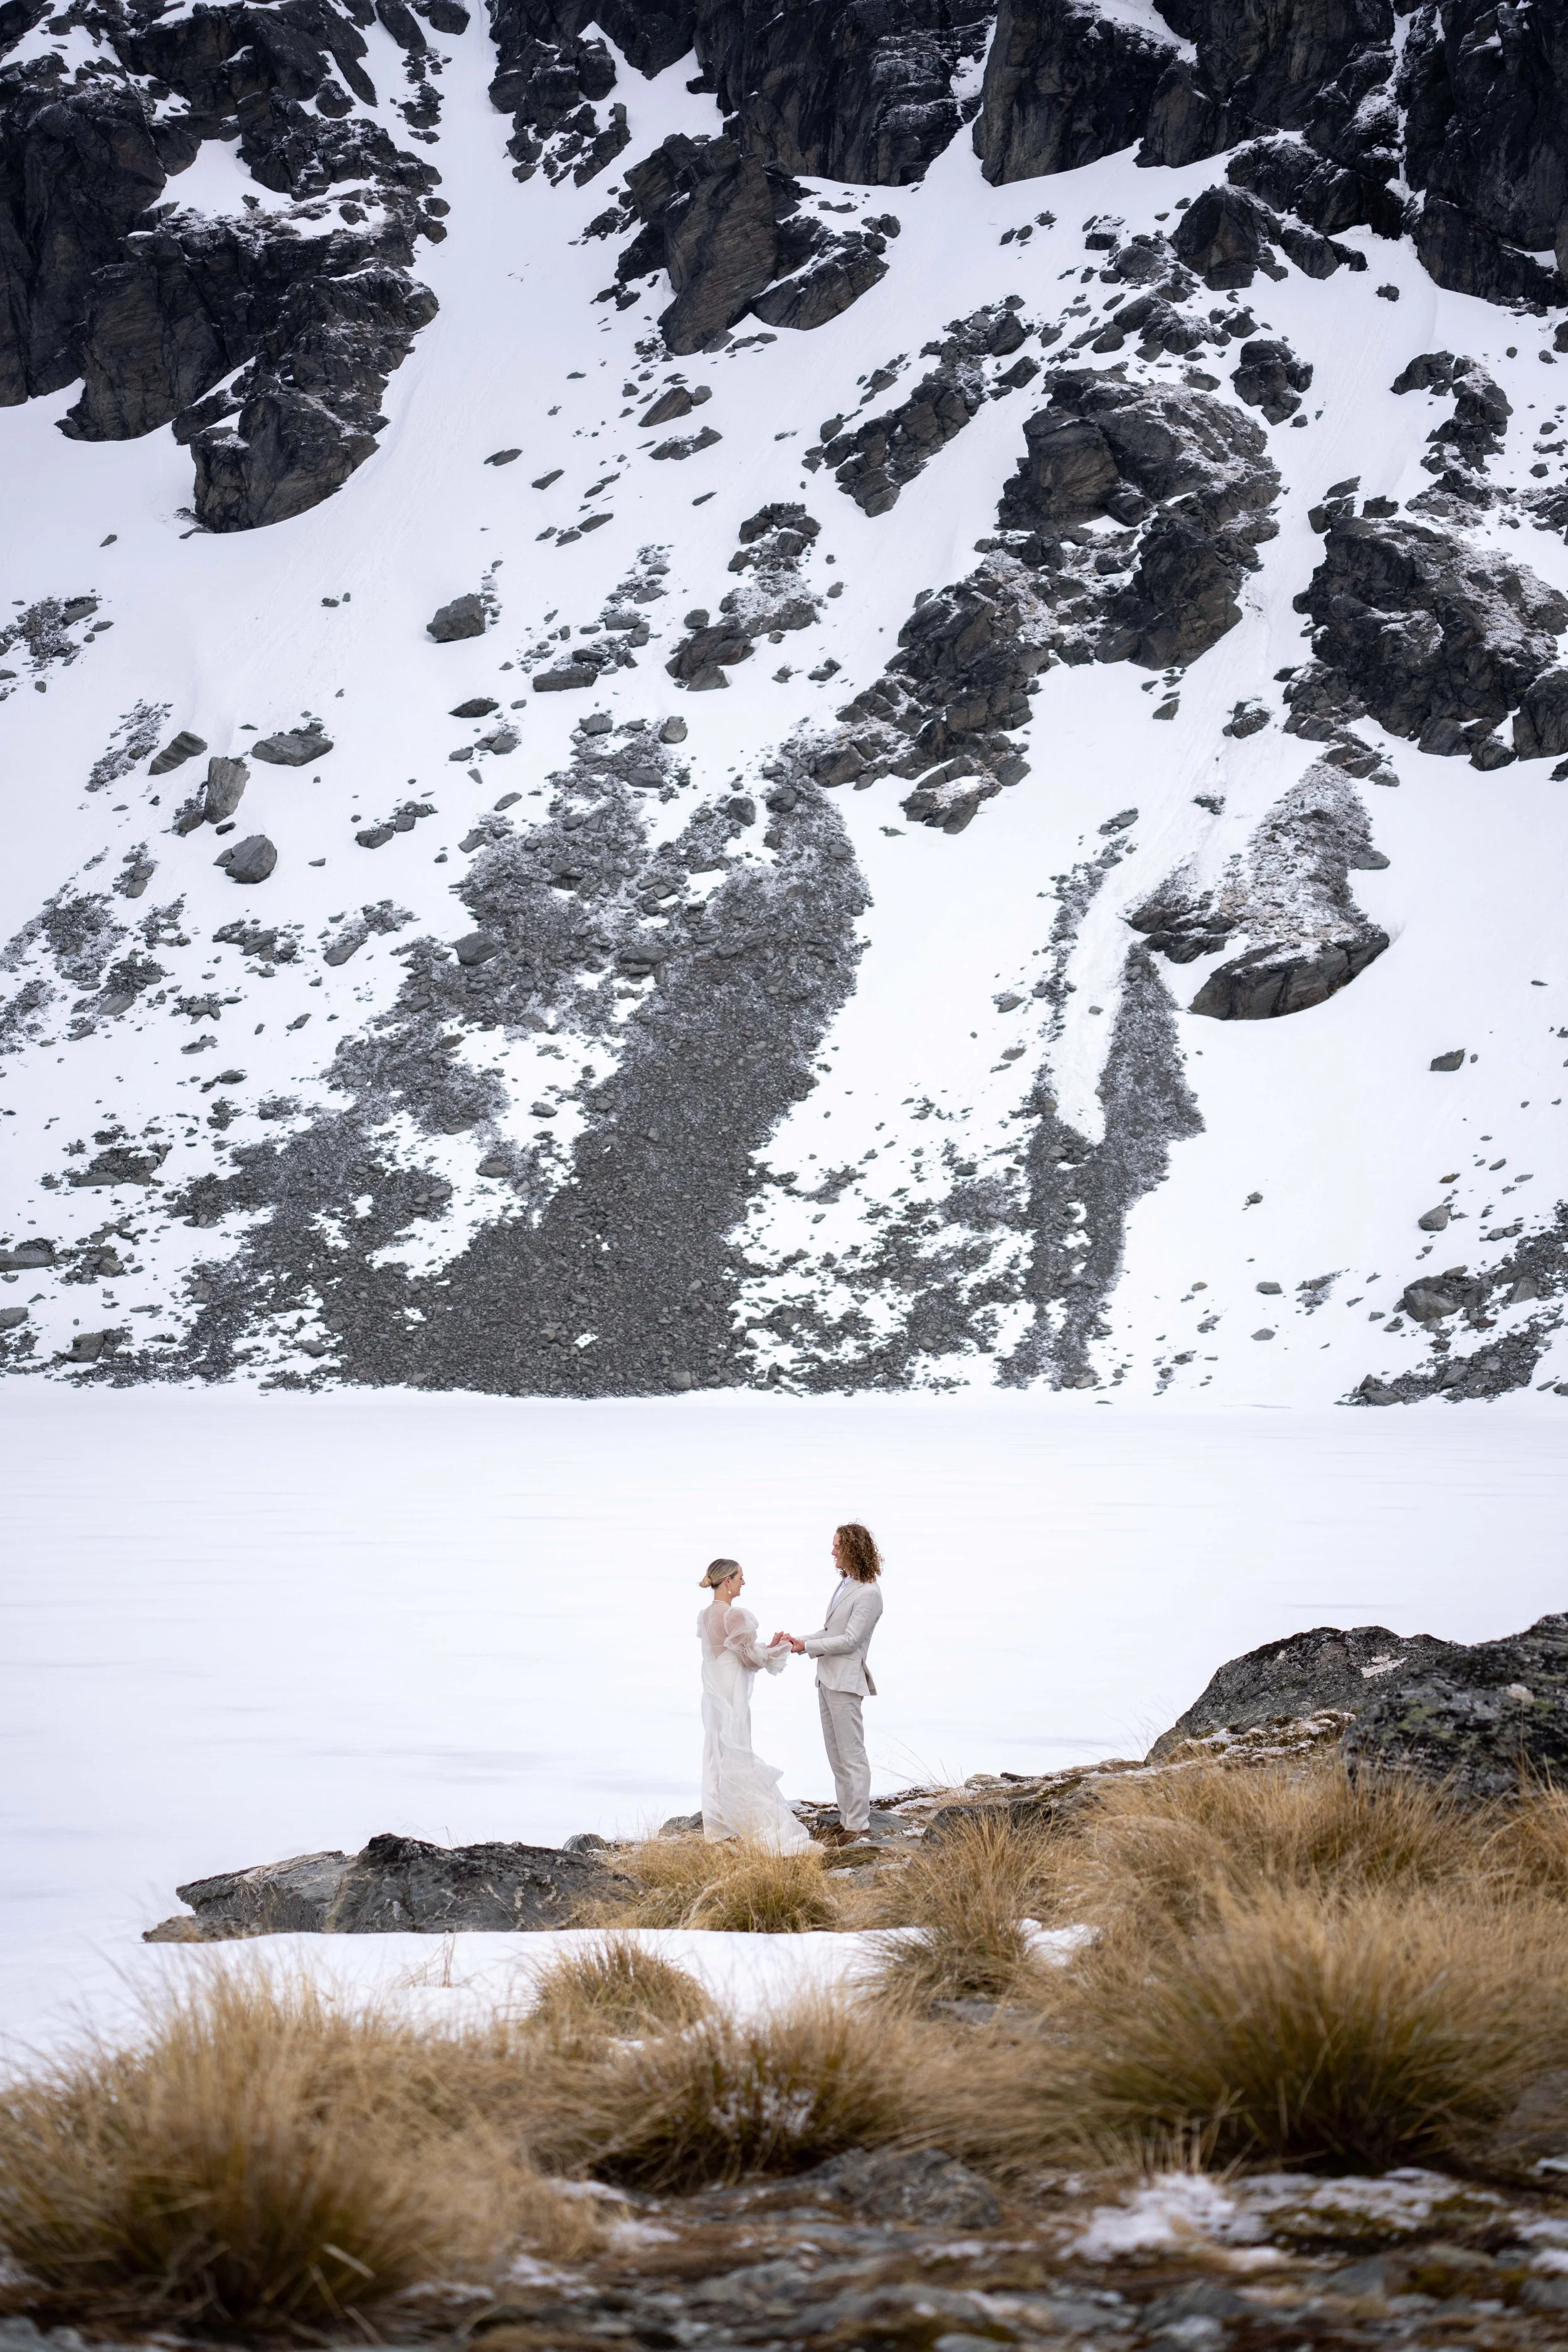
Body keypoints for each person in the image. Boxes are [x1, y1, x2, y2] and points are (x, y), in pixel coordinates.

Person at [774, 1523, 884, 1846]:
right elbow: (829, 1631)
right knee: (836, 1756)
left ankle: (859, 1826)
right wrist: (799, 1641)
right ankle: (847, 1819)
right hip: (826, 1679)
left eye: (837, 1545)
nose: (832, 1551)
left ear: (852, 1549)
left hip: (846, 1682)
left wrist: (807, 1647)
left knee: (852, 1756)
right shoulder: (846, 1585)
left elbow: (850, 1641)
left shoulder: (870, 1593)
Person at [697, 1558, 811, 1850]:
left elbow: (729, 1653)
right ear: (728, 1582)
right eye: (740, 1578)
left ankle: (719, 1823)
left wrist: (767, 1648)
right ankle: (749, 1819)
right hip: (733, 1693)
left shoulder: (705, 1615)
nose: (743, 1583)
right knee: (738, 1750)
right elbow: (748, 1659)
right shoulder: (734, 1616)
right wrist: (779, 1648)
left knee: (718, 1751)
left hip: (714, 1694)